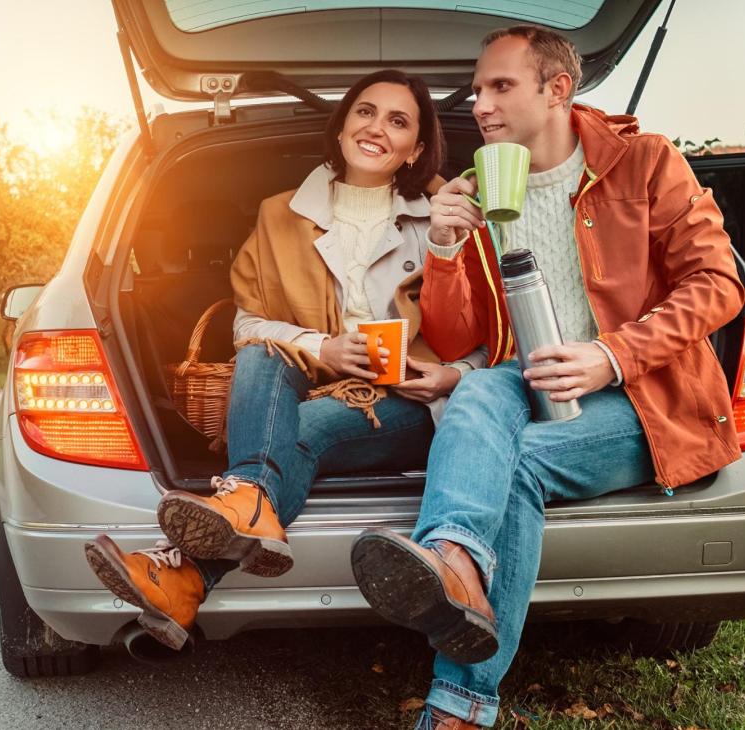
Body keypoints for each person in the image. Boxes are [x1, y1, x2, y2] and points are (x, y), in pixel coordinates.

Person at [348, 26, 745, 730]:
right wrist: (443, 246)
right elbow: (453, 338)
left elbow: (717, 283)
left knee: (520, 466)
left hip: (645, 399)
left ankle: (461, 705)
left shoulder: (645, 163)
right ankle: (457, 560)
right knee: (475, 386)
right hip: (523, 378)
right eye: (476, 90)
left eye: (500, 86)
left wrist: (612, 355)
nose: (480, 104)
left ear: (557, 89)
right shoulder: (477, 188)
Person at [83, 69, 486, 652]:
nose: (377, 128)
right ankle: (247, 506)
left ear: (416, 150)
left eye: (398, 121)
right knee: (259, 354)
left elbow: (495, 332)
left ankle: (192, 567)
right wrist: (323, 346)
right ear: (343, 125)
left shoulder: (446, 217)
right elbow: (247, 323)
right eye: (365, 112)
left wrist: (457, 375)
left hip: (408, 402)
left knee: (304, 431)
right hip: (309, 381)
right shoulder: (279, 215)